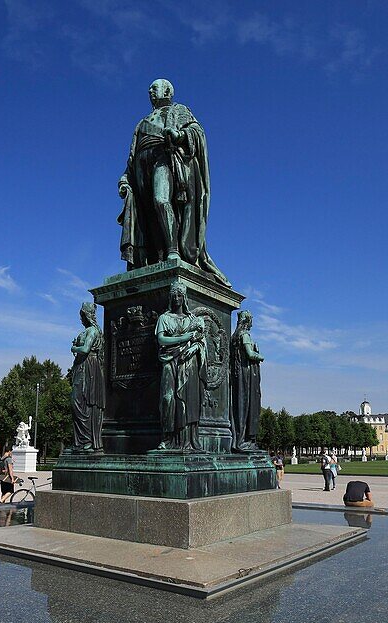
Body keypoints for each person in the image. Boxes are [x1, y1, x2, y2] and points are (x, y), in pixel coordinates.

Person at [117, 79, 230, 286]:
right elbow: (131, 159)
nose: (150, 91)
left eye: (154, 88)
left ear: (167, 91)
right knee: (147, 213)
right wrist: (125, 178)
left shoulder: (180, 110)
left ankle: (173, 251)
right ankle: (156, 255)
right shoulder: (141, 123)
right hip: (142, 169)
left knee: (161, 200)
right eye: (149, 89)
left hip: (165, 159)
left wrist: (180, 135)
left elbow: (197, 133)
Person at [156, 281, 206, 450]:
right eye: (174, 295)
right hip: (169, 361)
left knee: (188, 401)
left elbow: (201, 342)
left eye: (180, 295)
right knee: (167, 399)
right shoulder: (164, 318)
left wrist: (194, 347)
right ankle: (167, 437)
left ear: (184, 297)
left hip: (188, 363)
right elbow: (161, 340)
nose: (177, 298)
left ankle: (186, 439)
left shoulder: (192, 319)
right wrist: (183, 338)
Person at [70, 302, 106, 452]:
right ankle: (81, 441)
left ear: (87, 315)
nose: (80, 318)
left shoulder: (92, 331)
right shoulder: (87, 331)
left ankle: (87, 440)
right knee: (78, 402)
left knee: (81, 402)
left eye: (82, 315)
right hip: (82, 366)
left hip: (88, 368)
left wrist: (74, 347)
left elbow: (85, 349)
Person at [230, 310, 264, 452]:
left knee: (239, 405)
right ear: (248, 321)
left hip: (237, 375)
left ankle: (238, 438)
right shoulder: (244, 335)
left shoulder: (234, 337)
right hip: (246, 375)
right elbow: (250, 354)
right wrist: (259, 354)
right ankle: (243, 440)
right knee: (248, 405)